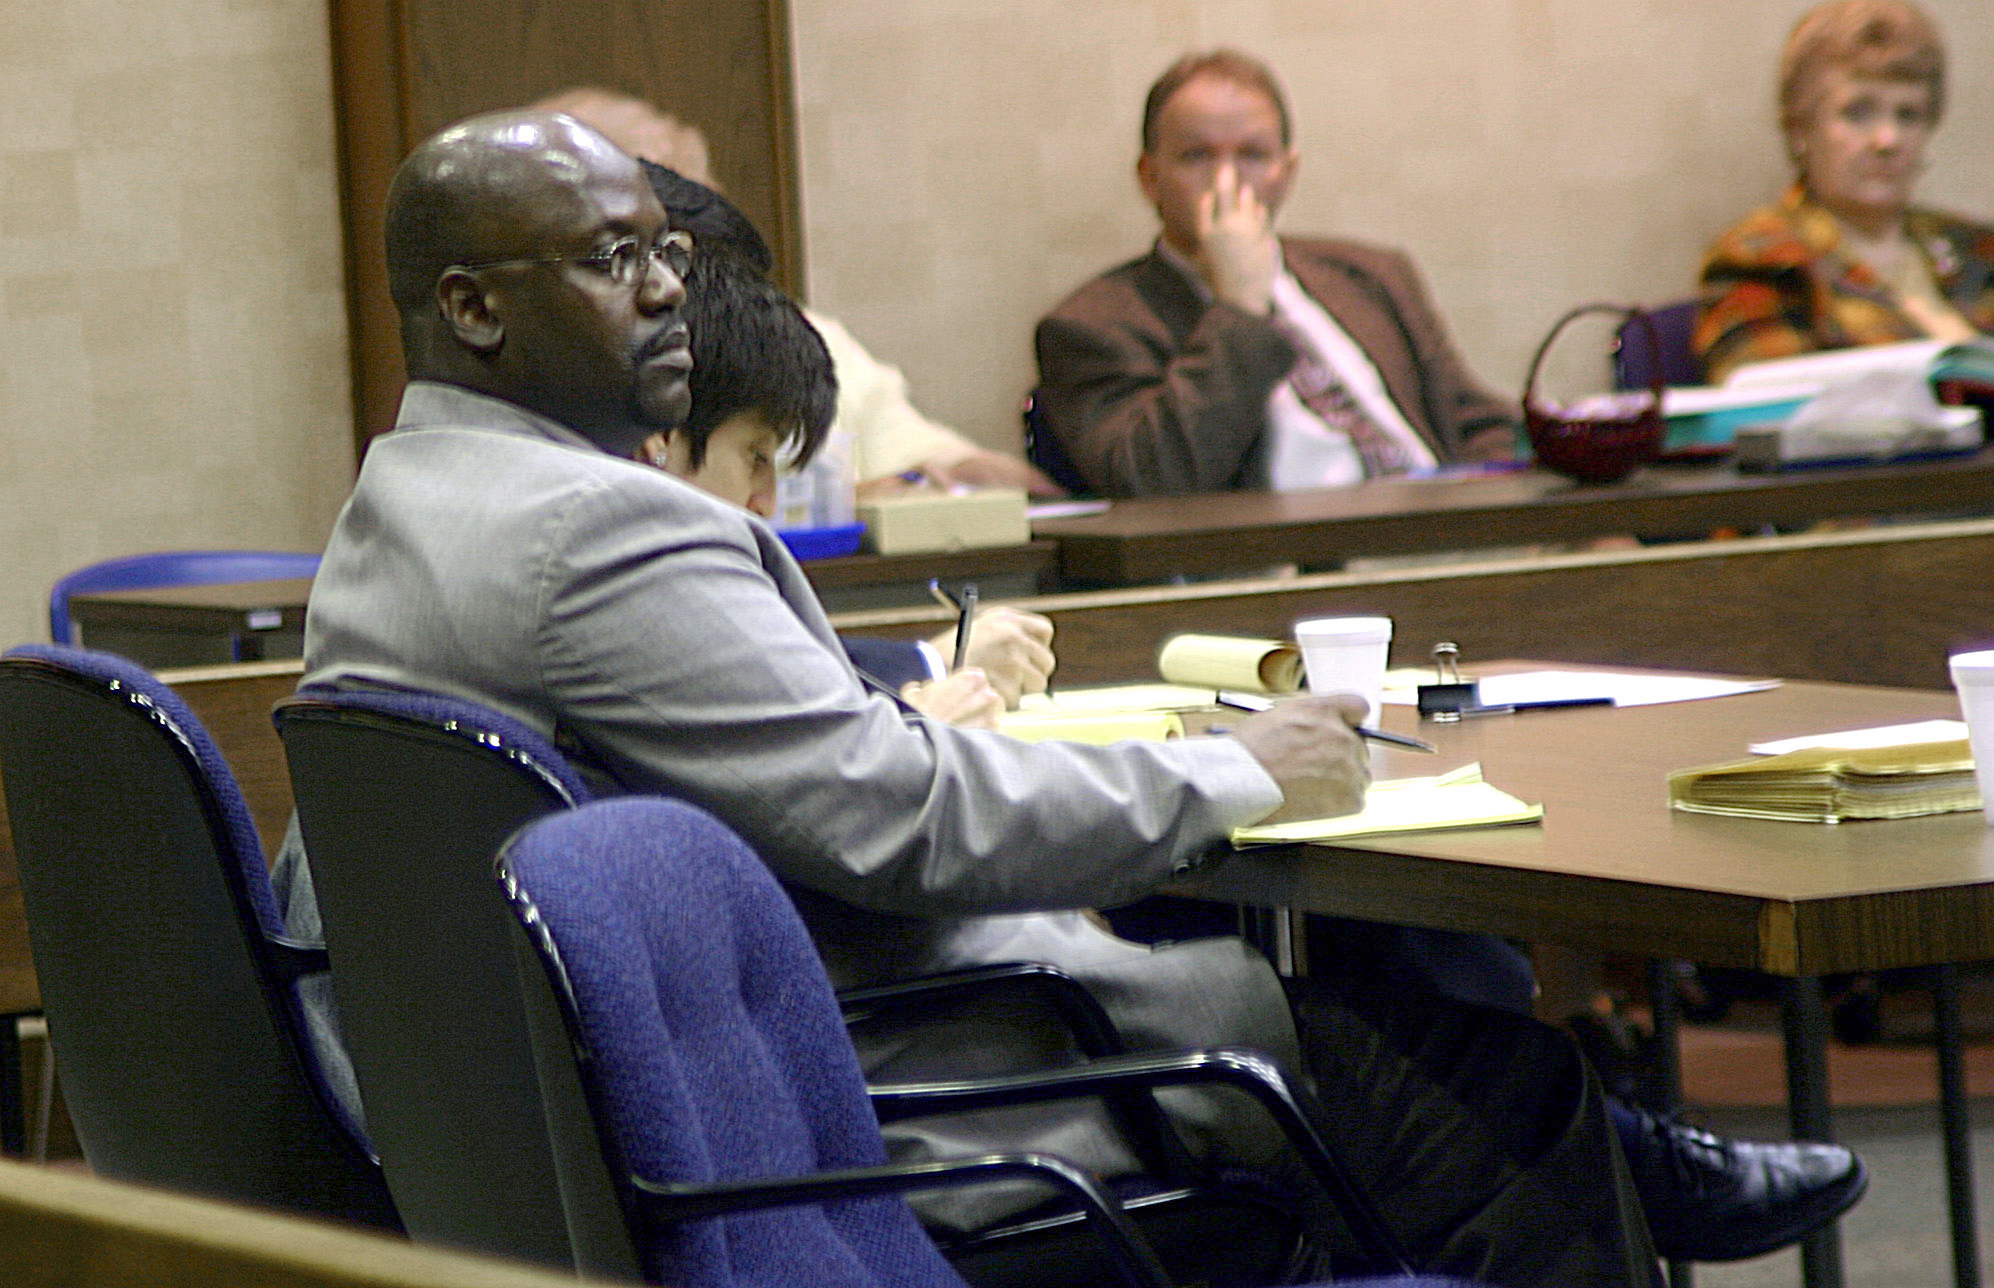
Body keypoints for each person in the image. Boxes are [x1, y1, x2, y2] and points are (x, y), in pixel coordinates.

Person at [298, 109, 1865, 1281]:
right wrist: (1245, 772)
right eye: (610, 259)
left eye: (667, 254)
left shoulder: (404, 506)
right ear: (477, 309)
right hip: (872, 1093)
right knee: (1406, 1064)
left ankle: (1629, 1164)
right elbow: (898, 818)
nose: (665, 299)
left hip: (611, 1118)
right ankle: (1623, 1176)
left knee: (1430, 1065)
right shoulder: (602, 528)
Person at [534, 86, 1064, 497]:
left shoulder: (802, 340)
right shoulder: (550, 372)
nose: (674, 275)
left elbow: (945, 468)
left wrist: (935, 484)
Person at [1034, 49, 1517, 499]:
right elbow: (1152, 483)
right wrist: (1240, 307)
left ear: (1286, 171)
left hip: (1441, 543)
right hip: (1287, 569)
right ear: (1149, 176)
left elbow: (1475, 423)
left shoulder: (1371, 275)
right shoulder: (1092, 325)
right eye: (1196, 156)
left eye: (1252, 155)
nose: (1227, 182)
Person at [637, 230, 1037, 724]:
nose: (766, 502)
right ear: (660, 439)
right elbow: (779, 760)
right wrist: (917, 737)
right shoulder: (631, 589)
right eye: (754, 456)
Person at [1694, 0, 1994, 382]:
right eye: (1858, 112)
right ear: (1801, 127)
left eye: (1908, 115)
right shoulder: (1762, 258)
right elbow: (1775, 412)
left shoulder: (1982, 249)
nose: (1887, 140)